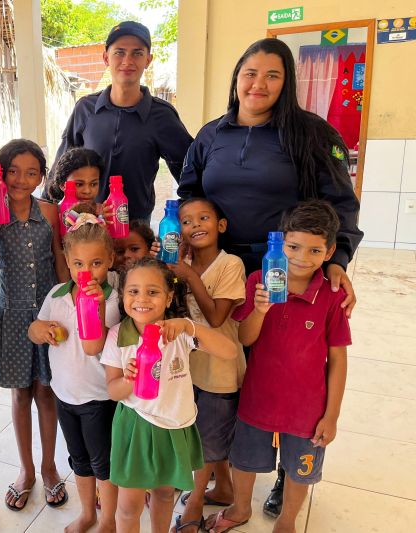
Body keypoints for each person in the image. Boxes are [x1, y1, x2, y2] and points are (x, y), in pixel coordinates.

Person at [177, 37, 363, 516]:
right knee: (224, 374)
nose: (258, 84)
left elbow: (341, 204)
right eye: (250, 73)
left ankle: (286, 473)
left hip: (285, 278)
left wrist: (337, 259)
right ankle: (224, 473)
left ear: (287, 83)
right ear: (236, 78)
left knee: (285, 372)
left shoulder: (310, 134)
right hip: (220, 274)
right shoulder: (211, 135)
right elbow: (189, 193)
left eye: (272, 75)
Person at [204, 201, 351, 533]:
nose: (301, 257)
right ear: (280, 242)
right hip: (258, 397)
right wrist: (260, 310)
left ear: (329, 253)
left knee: (301, 470)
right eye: (293, 247)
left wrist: (332, 415)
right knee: (244, 460)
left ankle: (287, 521)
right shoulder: (259, 280)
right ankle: (240, 508)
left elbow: (338, 359)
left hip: (307, 409)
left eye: (315, 250)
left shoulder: (331, 295)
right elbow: (246, 337)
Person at [101, 258, 236, 533]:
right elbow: (113, 391)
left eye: (152, 292)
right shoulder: (118, 335)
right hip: (136, 428)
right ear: (123, 295)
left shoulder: (179, 333)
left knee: (164, 494)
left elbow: (229, 351)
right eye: (133, 291)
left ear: (169, 297)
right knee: (128, 507)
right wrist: (128, 380)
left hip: (174, 426)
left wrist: (189, 326)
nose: (142, 299)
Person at [0, 139, 69, 511]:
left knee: (46, 393)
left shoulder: (49, 211)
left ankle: (49, 468)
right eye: (13, 171)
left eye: (31, 172)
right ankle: (26, 470)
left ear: (41, 177)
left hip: (49, 314)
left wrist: (71, 304)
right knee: (20, 395)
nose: (21, 179)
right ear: (0, 173)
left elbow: (59, 259)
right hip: (12, 316)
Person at [29, 207, 120, 532]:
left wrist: (95, 304)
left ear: (110, 260)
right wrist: (41, 330)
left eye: (96, 263)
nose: (87, 272)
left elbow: (96, 343)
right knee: (79, 460)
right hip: (64, 396)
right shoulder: (56, 295)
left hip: (98, 399)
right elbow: (35, 328)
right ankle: (87, 513)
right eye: (79, 264)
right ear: (67, 262)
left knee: (103, 464)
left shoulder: (112, 301)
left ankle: (108, 520)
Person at [48, 21, 193, 221]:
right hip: (86, 222)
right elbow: (63, 161)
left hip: (136, 226)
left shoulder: (162, 115)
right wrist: (48, 205)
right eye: (119, 52)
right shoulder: (85, 109)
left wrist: (197, 212)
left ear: (148, 60)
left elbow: (188, 169)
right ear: (106, 58)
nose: (127, 60)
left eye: (137, 53)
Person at [164, 198, 246, 532]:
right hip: (188, 368)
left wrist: (188, 275)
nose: (195, 225)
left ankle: (194, 503)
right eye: (186, 221)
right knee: (204, 433)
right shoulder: (179, 262)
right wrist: (167, 265)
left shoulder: (231, 265)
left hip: (219, 370)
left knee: (209, 441)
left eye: (203, 218)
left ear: (221, 225)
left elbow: (215, 316)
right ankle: (223, 487)